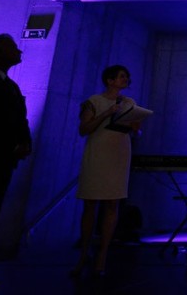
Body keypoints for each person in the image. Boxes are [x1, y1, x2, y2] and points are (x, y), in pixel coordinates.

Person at [73, 65, 146, 277]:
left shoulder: (129, 103)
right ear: (110, 80)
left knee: (113, 203)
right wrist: (107, 113)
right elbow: (83, 129)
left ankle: (103, 255)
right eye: (122, 76)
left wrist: (135, 127)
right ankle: (84, 252)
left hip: (119, 154)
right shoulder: (94, 101)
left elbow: (136, 132)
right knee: (90, 203)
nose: (126, 79)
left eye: (127, 77)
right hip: (98, 153)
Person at [0, 34, 32, 246]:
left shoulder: (12, 86)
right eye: (13, 47)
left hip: (4, 160)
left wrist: (25, 143)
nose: (19, 50)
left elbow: (20, 119)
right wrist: (13, 145)